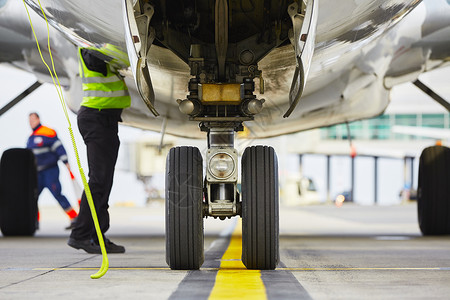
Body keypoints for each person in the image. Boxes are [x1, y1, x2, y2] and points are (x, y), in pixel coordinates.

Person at [67, 45, 130, 254]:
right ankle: (80, 235)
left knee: (104, 182)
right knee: (98, 181)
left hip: (105, 119)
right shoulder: (91, 49)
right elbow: (125, 56)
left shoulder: (97, 47)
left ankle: (97, 236)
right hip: (97, 118)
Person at [27, 112, 78, 229]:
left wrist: (66, 162)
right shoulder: (31, 138)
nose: (31, 123)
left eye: (33, 120)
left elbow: (59, 147)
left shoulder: (47, 133)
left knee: (57, 194)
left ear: (38, 119)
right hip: (37, 173)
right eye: (29, 121)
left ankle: (75, 218)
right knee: (33, 197)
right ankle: (34, 221)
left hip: (50, 171)